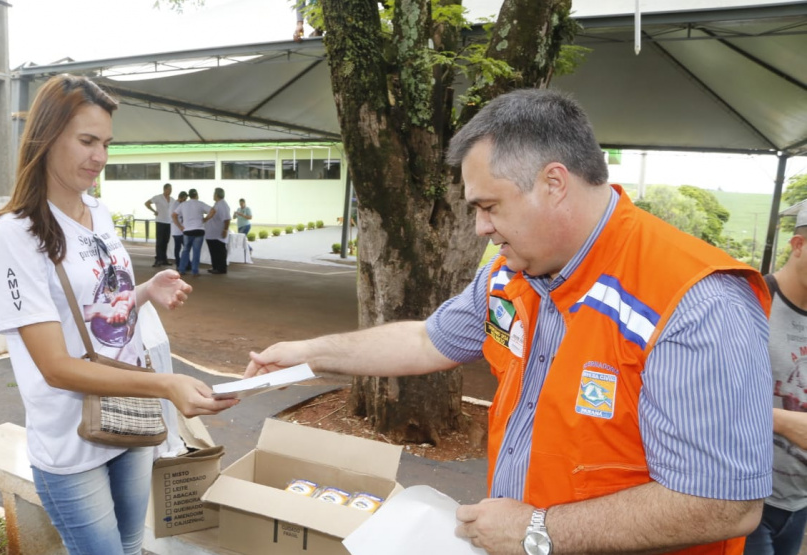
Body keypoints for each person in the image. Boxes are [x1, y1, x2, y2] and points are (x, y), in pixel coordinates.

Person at [245, 89, 774, 555]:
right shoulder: (511, 275)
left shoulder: (698, 302)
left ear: (553, 183)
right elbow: (428, 340)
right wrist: (306, 353)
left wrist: (537, 531)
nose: (480, 228)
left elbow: (723, 504)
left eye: (490, 206)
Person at [0, 74, 238, 555]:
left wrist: (144, 290)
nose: (99, 157)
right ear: (46, 136)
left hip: (132, 416)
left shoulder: (98, 211)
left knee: (128, 544)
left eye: (105, 143)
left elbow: (98, 303)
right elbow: (56, 367)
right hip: (72, 436)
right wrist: (167, 385)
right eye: (86, 141)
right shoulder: (15, 234)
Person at [744, 209, 807, 555]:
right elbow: (708, 401)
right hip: (750, 500)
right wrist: (782, 421)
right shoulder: (752, 302)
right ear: (798, 244)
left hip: (799, 503)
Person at [174, 189, 212, 277]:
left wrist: (179, 226)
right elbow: (213, 210)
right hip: (199, 230)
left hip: (187, 230)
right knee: (196, 251)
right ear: (197, 195)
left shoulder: (183, 204)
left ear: (189, 196)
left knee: (185, 250)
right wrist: (206, 219)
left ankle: (181, 269)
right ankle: (195, 271)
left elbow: (174, 215)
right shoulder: (200, 203)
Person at [145, 183, 173, 267]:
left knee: (166, 241)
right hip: (160, 221)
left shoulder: (172, 199)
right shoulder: (158, 197)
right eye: (169, 189)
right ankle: (158, 259)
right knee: (160, 241)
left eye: (171, 190)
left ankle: (164, 259)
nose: (170, 191)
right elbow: (147, 203)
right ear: (165, 189)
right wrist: (154, 211)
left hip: (168, 222)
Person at [203, 187, 231, 275]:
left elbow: (227, 219)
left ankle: (221, 268)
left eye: (214, 193)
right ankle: (215, 266)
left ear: (217, 195)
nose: (213, 195)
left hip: (217, 233)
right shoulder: (217, 204)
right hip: (212, 234)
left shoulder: (223, 205)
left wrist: (225, 229)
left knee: (219, 251)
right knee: (214, 251)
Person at [170, 190, 188, 271]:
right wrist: (180, 226)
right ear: (180, 197)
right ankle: (178, 263)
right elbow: (174, 217)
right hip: (176, 230)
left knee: (185, 247)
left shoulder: (181, 204)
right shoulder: (175, 205)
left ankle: (186, 263)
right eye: (184, 199)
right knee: (178, 247)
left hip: (181, 230)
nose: (185, 201)